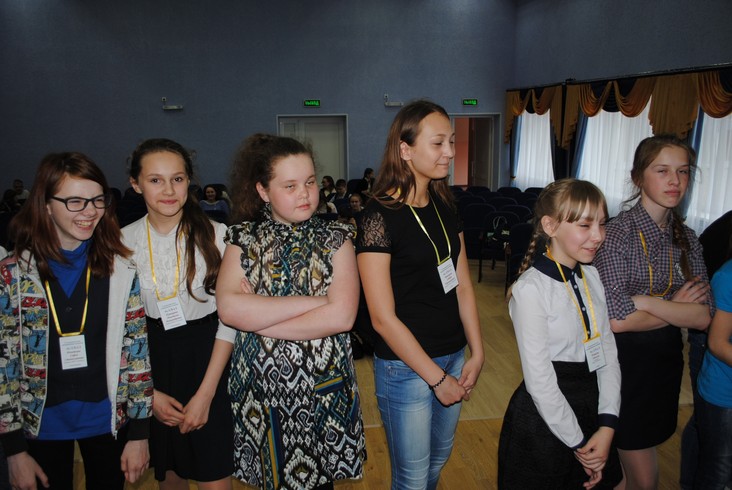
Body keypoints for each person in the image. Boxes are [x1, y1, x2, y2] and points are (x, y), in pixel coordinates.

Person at [216, 133, 365, 490]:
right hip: (260, 394)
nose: (304, 194)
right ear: (263, 191)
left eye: (310, 182)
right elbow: (230, 309)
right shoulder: (242, 239)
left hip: (322, 393)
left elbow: (342, 317)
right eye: (290, 185)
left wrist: (259, 319)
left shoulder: (337, 236)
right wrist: (318, 302)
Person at [0, 152, 153, 489]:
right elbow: (4, 365)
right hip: (38, 425)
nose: (90, 211)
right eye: (75, 201)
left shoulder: (121, 271)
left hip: (106, 422)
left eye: (97, 200)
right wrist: (13, 450)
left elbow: (137, 354)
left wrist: (139, 434)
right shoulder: (13, 276)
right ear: (46, 205)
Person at [356, 100, 484, 489]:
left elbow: (463, 284)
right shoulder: (378, 216)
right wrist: (436, 379)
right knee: (412, 479)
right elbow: (382, 318)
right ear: (405, 149)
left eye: (452, 141)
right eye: (438, 143)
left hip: (453, 355)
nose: (450, 152)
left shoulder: (446, 205)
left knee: (436, 464)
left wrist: (477, 351)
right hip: (406, 368)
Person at [593, 134, 713, 489]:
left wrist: (645, 302)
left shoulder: (687, 238)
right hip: (622, 368)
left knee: (622, 476)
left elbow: (704, 316)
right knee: (644, 480)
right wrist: (677, 306)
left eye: (683, 171)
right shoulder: (617, 234)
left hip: (664, 366)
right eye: (662, 171)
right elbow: (618, 320)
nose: (675, 181)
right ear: (638, 177)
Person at [123, 139, 235, 490]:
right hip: (152, 363)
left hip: (210, 358)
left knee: (214, 475)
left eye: (178, 179)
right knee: (170, 476)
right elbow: (120, 332)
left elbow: (230, 319)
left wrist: (206, 394)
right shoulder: (120, 242)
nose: (169, 190)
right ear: (136, 184)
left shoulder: (218, 235)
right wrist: (148, 394)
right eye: (155, 180)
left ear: (189, 181)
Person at [497, 179, 622, 489]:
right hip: (548, 421)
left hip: (592, 411)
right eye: (585, 225)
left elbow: (608, 356)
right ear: (550, 226)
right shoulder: (531, 290)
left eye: (602, 224)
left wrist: (607, 426)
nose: (598, 236)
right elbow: (540, 382)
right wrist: (580, 445)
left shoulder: (591, 275)